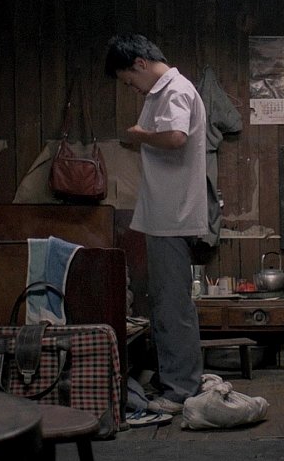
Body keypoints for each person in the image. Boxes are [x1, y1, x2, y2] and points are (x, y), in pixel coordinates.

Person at [104, 33, 207, 415]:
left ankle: (180, 390)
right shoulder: (163, 91)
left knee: (172, 305)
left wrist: (140, 135)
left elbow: (176, 137)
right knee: (167, 303)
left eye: (129, 80)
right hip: (166, 213)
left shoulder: (174, 90)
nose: (132, 88)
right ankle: (176, 381)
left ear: (140, 63)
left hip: (172, 215)